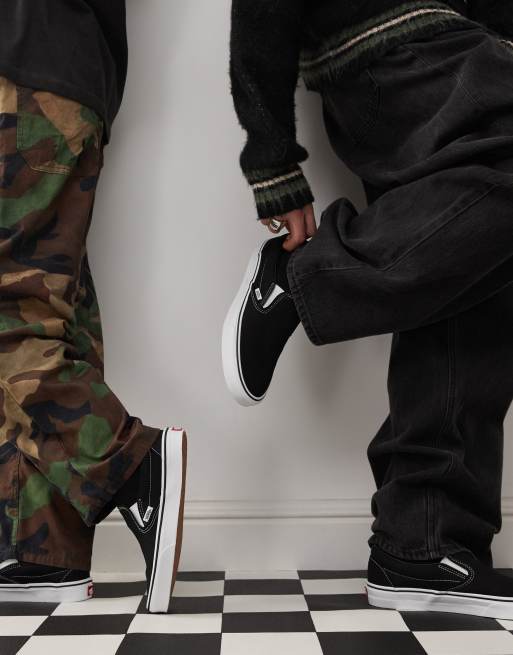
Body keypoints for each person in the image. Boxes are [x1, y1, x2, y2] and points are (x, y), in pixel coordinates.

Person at [224, 0, 513, 619]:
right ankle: (303, 280)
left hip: (465, 52)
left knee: (470, 297)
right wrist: (271, 158)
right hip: (409, 50)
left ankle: (422, 546)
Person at [0, 1, 187, 613]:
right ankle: (45, 546)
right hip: (71, 65)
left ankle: (127, 463)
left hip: (20, 61)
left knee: (13, 308)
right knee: (52, 307)